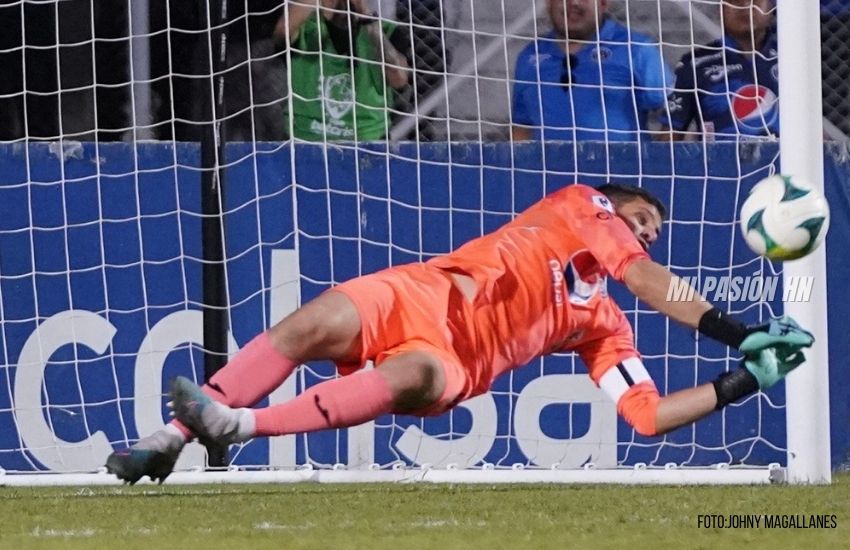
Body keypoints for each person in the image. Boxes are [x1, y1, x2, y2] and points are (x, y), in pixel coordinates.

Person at [105, 182, 813, 484]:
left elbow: (648, 417)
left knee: (410, 378)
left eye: (655, 233)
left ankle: (238, 427)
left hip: (452, 357)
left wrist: (743, 378)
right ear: (613, 205)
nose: (647, 233)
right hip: (423, 289)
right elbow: (642, 274)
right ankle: (169, 439)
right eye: (642, 220)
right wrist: (733, 328)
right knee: (310, 323)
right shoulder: (581, 206)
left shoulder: (605, 324)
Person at [511, 0, 673, 142]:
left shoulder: (636, 48)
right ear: (548, 3)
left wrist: (658, 164)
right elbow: (522, 127)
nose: (573, 2)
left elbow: (676, 114)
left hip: (619, 175)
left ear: (603, 3)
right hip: (551, 174)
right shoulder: (529, 56)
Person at [274, 0, 410, 141]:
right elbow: (282, 33)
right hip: (308, 138)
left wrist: (366, 15)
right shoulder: (305, 29)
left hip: (367, 140)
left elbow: (399, 79)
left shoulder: (385, 30)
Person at [662, 0, 778, 141]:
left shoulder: (796, 59)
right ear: (720, 9)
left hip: (790, 162)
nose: (746, 6)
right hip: (720, 162)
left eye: (755, 0)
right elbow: (669, 136)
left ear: (773, 7)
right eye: (735, 0)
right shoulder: (694, 64)